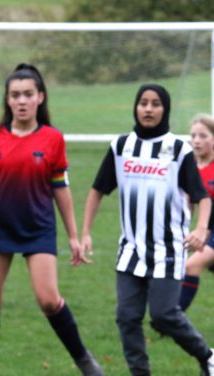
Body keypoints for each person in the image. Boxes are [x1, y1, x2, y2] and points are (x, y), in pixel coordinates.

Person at [0, 63, 102, 376]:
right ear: (7, 100)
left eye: (28, 94)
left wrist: (74, 236)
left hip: (38, 229)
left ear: (40, 98)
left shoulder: (52, 138)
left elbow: (61, 190)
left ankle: (85, 362)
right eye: (15, 95)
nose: (21, 100)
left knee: (48, 300)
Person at [81, 84, 214, 375]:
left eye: (155, 103)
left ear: (164, 109)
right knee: (127, 317)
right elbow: (97, 190)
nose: (149, 108)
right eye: (143, 102)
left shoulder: (179, 150)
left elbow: (202, 196)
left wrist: (202, 228)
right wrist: (86, 231)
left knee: (164, 314)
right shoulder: (121, 147)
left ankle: (207, 356)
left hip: (168, 250)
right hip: (130, 250)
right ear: (136, 107)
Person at [178, 114, 214, 311]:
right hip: (206, 232)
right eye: (193, 136)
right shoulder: (190, 168)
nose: (197, 141)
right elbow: (188, 206)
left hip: (211, 232)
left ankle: (171, 320)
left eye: (203, 136)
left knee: (191, 265)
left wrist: (205, 230)